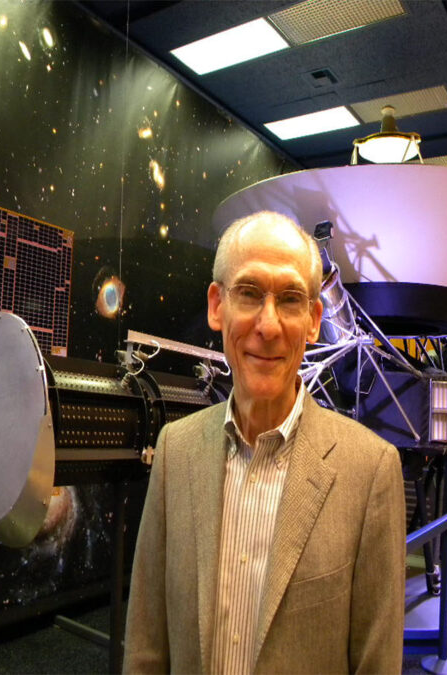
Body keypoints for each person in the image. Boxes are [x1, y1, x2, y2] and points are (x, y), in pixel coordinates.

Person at [123, 211, 406, 673]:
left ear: (315, 320)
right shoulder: (175, 450)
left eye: (291, 299)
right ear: (217, 306)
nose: (269, 326)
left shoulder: (370, 471)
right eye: (250, 293)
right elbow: (146, 647)